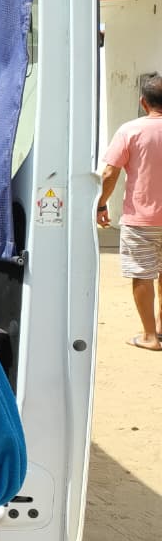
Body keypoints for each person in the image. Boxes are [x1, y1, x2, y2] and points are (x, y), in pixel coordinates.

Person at [98, 73, 162, 350]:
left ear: (143, 102)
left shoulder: (130, 131)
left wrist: (101, 204)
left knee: (142, 274)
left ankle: (149, 336)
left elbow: (109, 173)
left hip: (141, 220)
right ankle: (160, 327)